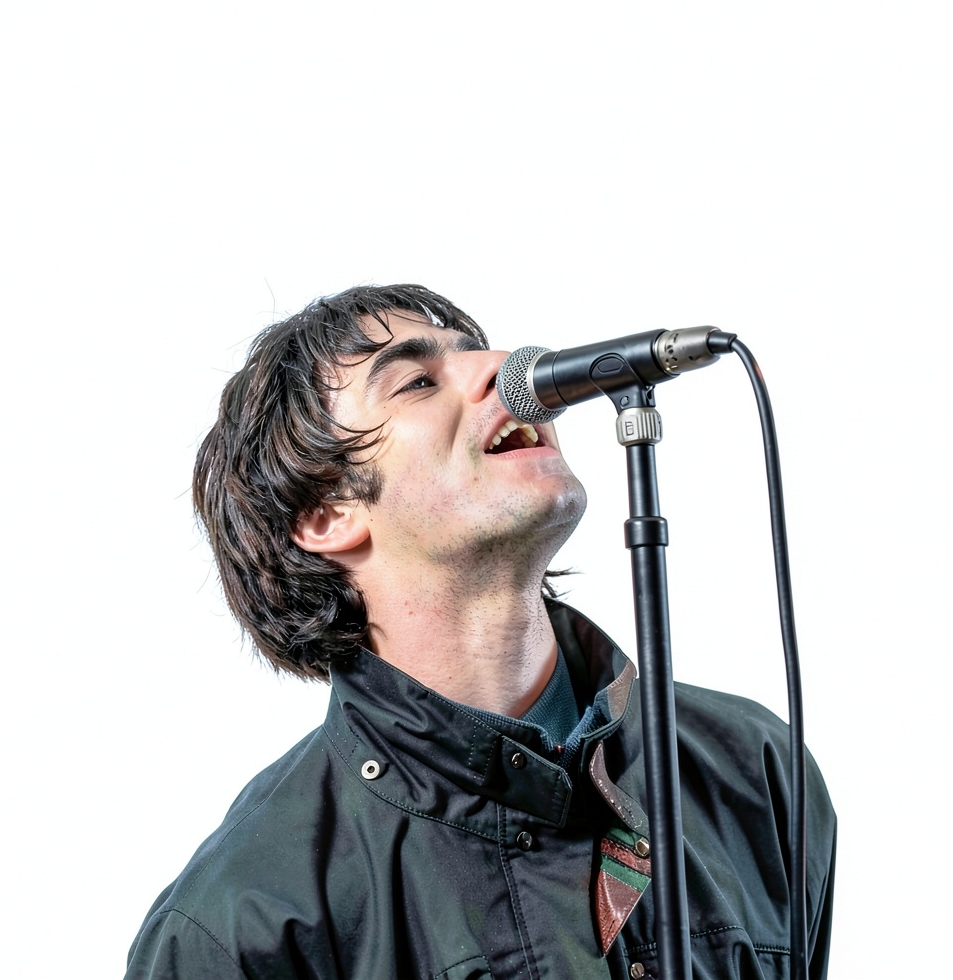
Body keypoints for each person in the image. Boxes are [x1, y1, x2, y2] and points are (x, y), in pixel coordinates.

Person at [125, 284, 836, 980]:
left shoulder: (755, 768)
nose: (504, 366)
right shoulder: (240, 927)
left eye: (479, 350)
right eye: (416, 382)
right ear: (326, 516)